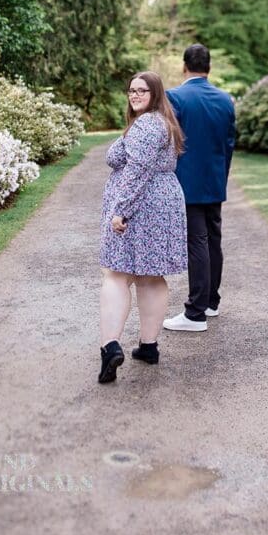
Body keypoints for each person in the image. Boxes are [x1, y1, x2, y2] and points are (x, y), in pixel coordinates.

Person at [98, 71, 187, 383]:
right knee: (149, 275)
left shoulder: (148, 124)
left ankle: (110, 347)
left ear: (155, 94)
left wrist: (121, 210)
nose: (135, 95)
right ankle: (148, 347)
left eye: (142, 91)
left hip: (142, 206)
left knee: (117, 273)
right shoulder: (156, 122)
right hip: (157, 203)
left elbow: (137, 169)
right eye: (132, 90)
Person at [163, 43, 236, 331]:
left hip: (187, 181)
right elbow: (229, 144)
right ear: (209, 67)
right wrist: (221, 174)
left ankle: (195, 313)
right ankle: (211, 302)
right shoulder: (225, 100)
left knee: (197, 242)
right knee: (213, 240)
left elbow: (168, 143)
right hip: (214, 179)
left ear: (184, 66)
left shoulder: (175, 97)